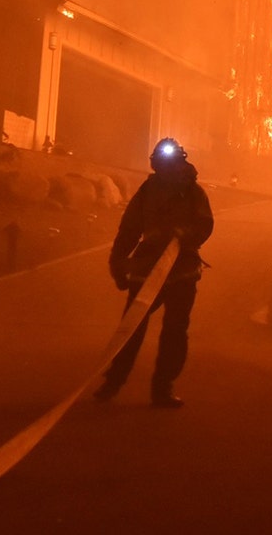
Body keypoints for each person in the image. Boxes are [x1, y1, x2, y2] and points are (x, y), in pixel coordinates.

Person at [94, 137, 215, 408]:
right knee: (132, 328)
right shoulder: (148, 191)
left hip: (181, 270)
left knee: (174, 330)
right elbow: (130, 229)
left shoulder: (194, 192)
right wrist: (118, 262)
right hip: (147, 269)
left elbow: (205, 224)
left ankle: (162, 387)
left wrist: (185, 236)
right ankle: (115, 380)